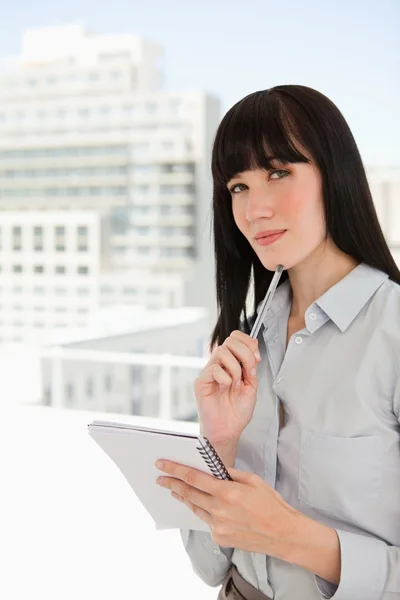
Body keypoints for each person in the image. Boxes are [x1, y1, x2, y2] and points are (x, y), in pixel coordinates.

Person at [155, 85, 400, 599]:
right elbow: (207, 565)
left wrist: (294, 539)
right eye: (238, 186)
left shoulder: (392, 334)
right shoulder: (243, 341)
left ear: (335, 174)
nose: (254, 208)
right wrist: (217, 443)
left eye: (278, 172)